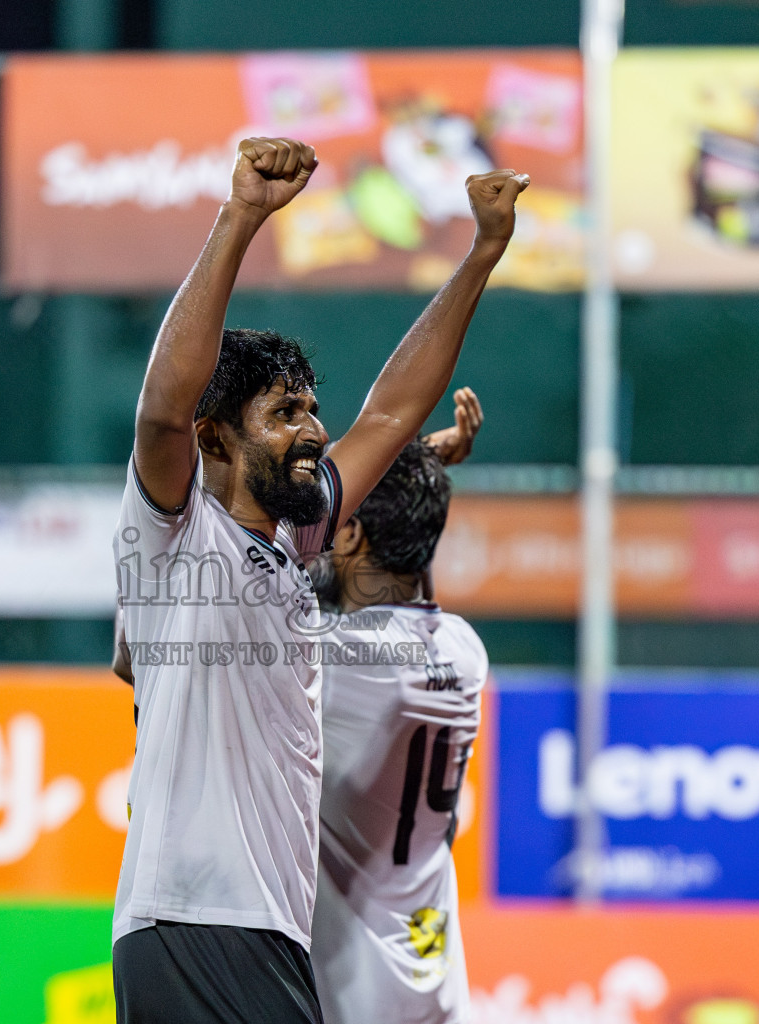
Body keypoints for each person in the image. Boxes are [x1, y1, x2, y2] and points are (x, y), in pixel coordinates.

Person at [112, 131, 524, 1024]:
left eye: (311, 408)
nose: (313, 427)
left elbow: (390, 409)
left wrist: (481, 254)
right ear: (218, 438)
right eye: (284, 412)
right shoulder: (176, 537)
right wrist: (241, 219)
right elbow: (161, 411)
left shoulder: (296, 542)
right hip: (194, 921)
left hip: (267, 931)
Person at [308, 391, 487, 1024]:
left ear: (351, 531)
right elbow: (411, 557)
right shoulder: (465, 651)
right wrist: (425, 474)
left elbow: (270, 554)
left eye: (330, 520)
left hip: (353, 994)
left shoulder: (328, 660)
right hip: (436, 988)